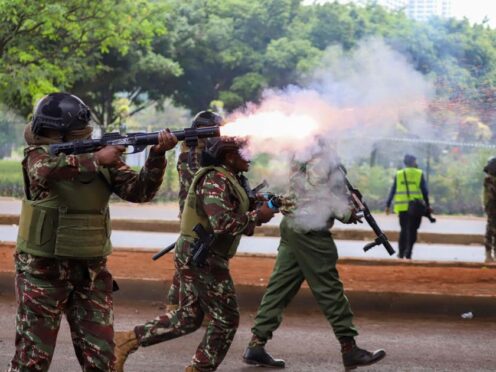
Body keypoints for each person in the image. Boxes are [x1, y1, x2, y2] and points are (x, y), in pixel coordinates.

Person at [8, 92, 177, 372]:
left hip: (91, 275)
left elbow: (140, 192)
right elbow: (44, 172)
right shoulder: (38, 155)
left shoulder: (101, 158)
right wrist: (96, 159)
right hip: (42, 274)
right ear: (56, 132)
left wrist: (157, 156)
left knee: (102, 361)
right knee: (31, 361)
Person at [114, 137, 276, 372]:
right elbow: (222, 223)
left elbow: (236, 216)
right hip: (202, 255)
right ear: (229, 157)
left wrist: (263, 205)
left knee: (188, 317)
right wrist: (257, 215)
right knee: (225, 319)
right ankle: (200, 368)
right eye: (245, 153)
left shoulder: (231, 178)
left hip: (200, 253)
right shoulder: (215, 179)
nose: (251, 157)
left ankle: (126, 340)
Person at [242, 150, 386, 371]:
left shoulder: (304, 152)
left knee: (279, 289)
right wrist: (345, 213)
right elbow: (314, 195)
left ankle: (256, 345)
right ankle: (349, 348)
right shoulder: (319, 158)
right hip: (309, 230)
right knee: (329, 289)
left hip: (294, 226)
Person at [166, 110, 224, 313]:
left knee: (188, 258)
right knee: (198, 259)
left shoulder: (189, 151)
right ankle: (191, 308)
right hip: (198, 213)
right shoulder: (198, 155)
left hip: (190, 212)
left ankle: (174, 303)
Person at [385, 154, 430, 259]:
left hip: (402, 208)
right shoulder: (419, 173)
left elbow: (393, 189)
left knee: (404, 229)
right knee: (413, 230)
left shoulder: (399, 174)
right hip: (416, 207)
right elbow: (425, 192)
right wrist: (427, 205)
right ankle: (408, 253)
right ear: (413, 162)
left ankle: (401, 253)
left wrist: (388, 204)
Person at [483, 157, 496, 263]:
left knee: (491, 230)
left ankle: (489, 255)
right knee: (491, 230)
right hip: (492, 207)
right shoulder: (489, 180)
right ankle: (489, 255)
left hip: (490, 207)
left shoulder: (488, 179)